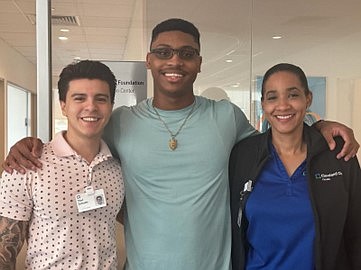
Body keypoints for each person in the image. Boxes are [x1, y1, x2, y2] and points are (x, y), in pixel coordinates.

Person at [2, 19, 360, 270]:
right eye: (164, 52)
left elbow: (278, 136)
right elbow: (82, 137)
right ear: (150, 61)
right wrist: (31, 143)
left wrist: (319, 124)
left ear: (199, 63)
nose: (175, 60)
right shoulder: (123, 122)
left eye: (187, 53)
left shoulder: (225, 117)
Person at [229, 63, 361, 270]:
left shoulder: (338, 154)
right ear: (263, 104)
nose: (283, 106)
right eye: (272, 97)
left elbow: (356, 231)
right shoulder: (243, 156)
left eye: (293, 95)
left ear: (308, 98)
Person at [0, 60, 125, 269]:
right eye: (79, 98)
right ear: (63, 105)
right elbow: (4, 251)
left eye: (101, 99)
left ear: (111, 106)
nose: (91, 106)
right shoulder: (27, 165)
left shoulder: (117, 166)